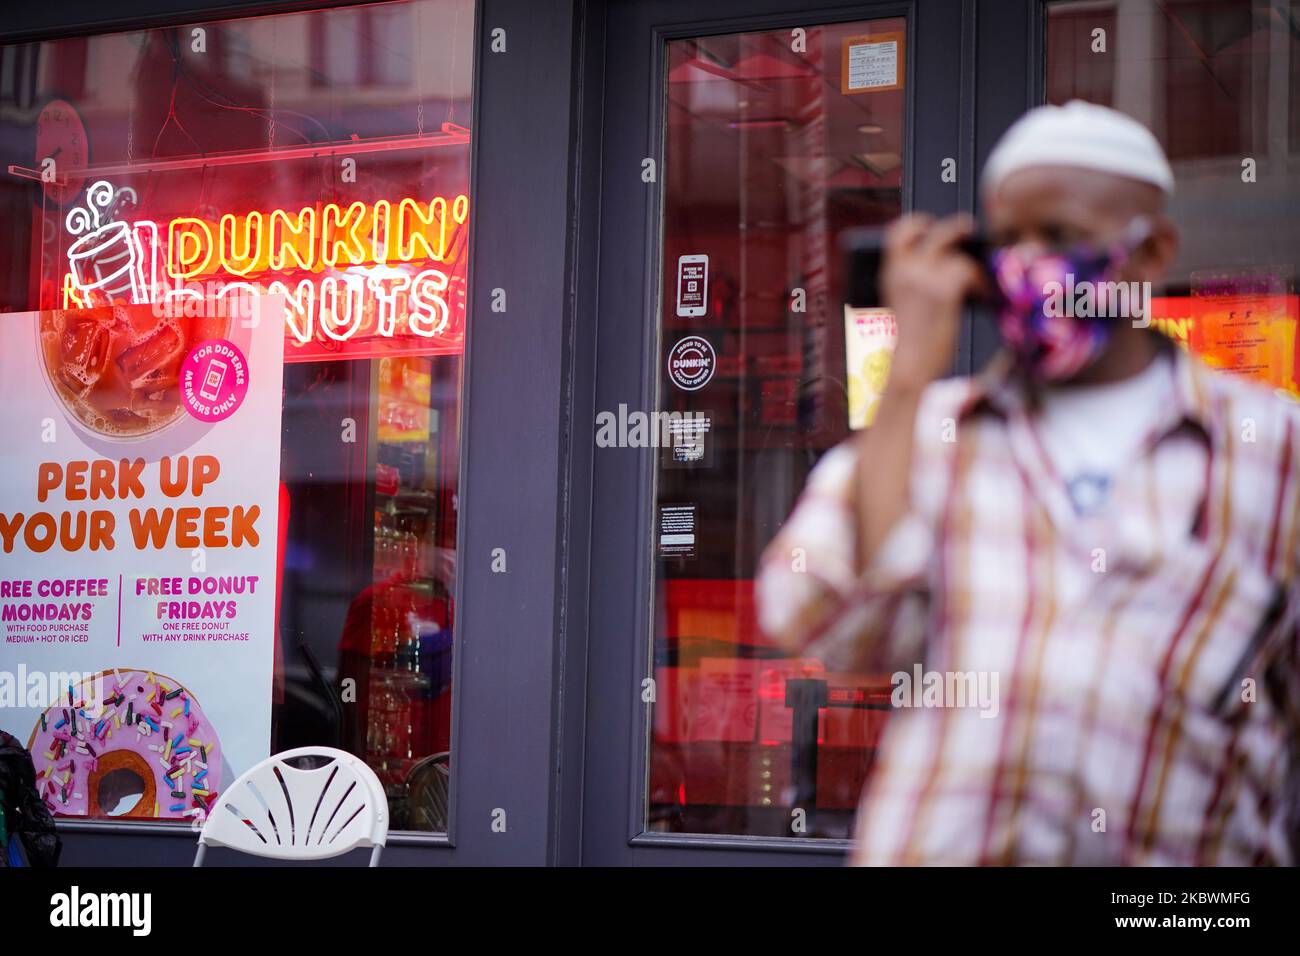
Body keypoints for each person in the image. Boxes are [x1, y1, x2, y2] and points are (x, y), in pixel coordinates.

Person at [756, 101, 1300, 866]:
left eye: (1061, 236)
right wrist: (908, 377)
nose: (1030, 262)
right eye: (1008, 240)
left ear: (1152, 254)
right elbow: (825, 624)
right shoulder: (937, 433)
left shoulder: (1272, 453)